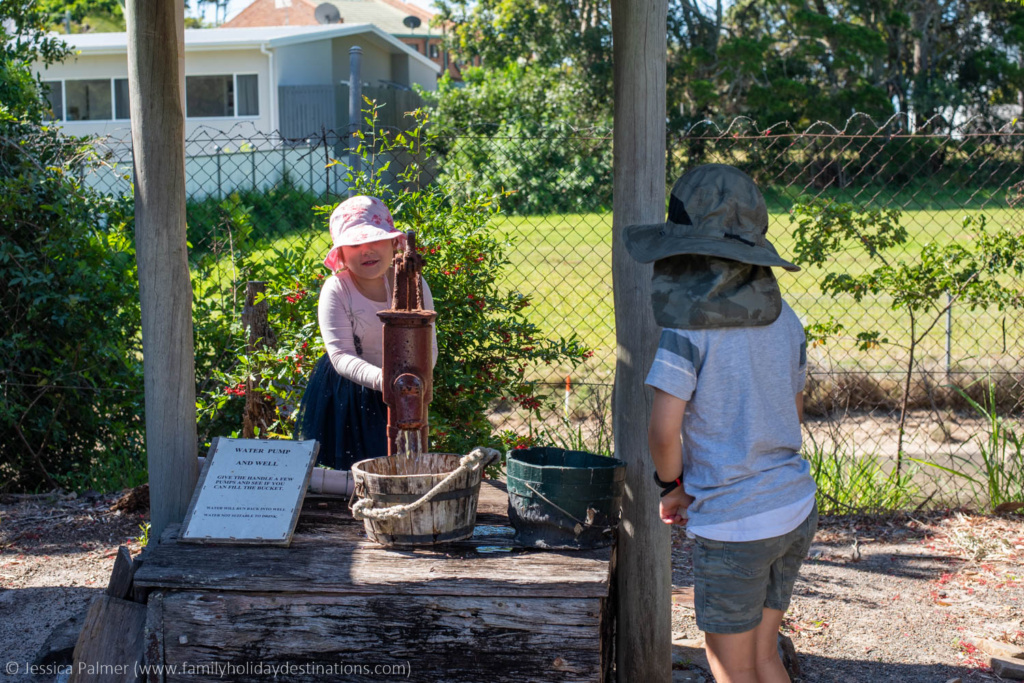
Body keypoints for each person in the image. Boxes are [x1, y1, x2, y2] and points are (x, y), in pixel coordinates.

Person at [624, 164, 818, 683]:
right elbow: (792, 409)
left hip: (736, 523)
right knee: (764, 657)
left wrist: (671, 487)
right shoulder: (787, 318)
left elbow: (664, 430)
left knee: (728, 667)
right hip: (793, 504)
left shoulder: (685, 331)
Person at [295, 195, 437, 476]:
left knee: (404, 465)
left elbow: (427, 344)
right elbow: (340, 355)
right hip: (349, 392)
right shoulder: (337, 290)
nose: (366, 251)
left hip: (406, 388)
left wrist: (415, 380)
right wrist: (384, 381)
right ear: (342, 255)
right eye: (355, 245)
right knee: (351, 470)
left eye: (375, 241)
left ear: (393, 243)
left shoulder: (413, 282)